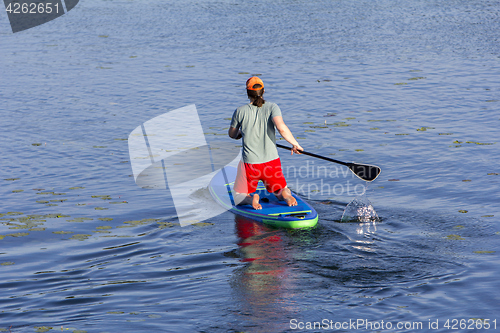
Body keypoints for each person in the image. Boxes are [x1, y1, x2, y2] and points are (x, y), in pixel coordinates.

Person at [228, 76, 303, 210]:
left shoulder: (240, 111)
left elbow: (232, 134)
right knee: (281, 189)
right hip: (271, 162)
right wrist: (295, 144)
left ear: (247, 93)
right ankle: (286, 196)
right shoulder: (273, 107)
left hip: (250, 165)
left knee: (238, 197)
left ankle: (251, 198)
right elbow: (281, 128)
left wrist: (240, 134)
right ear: (263, 91)